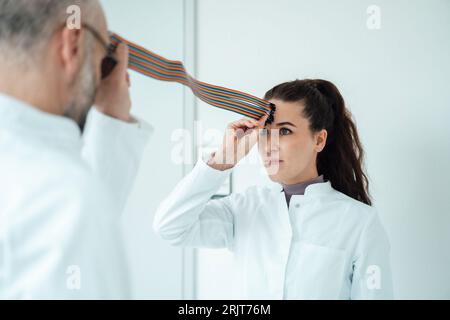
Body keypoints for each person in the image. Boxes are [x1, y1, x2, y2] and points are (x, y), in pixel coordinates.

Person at [154, 79, 393, 299]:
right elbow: (169, 226)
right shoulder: (243, 208)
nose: (270, 145)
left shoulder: (360, 222)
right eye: (265, 132)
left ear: (319, 140)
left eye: (285, 131)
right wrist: (223, 159)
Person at [0, 0, 152, 298]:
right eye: (103, 60)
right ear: (72, 45)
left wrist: (112, 121)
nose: (100, 79)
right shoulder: (62, 199)